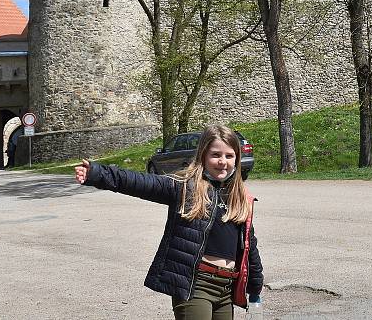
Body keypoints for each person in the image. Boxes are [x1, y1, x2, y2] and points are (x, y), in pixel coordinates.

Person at [74, 124, 263, 320]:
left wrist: (256, 284)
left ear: (237, 159)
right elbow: (137, 182)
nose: (222, 161)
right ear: (203, 156)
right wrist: (97, 173)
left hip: (226, 288)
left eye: (229, 156)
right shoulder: (184, 188)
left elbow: (249, 245)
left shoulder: (239, 197)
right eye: (216, 155)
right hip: (195, 285)